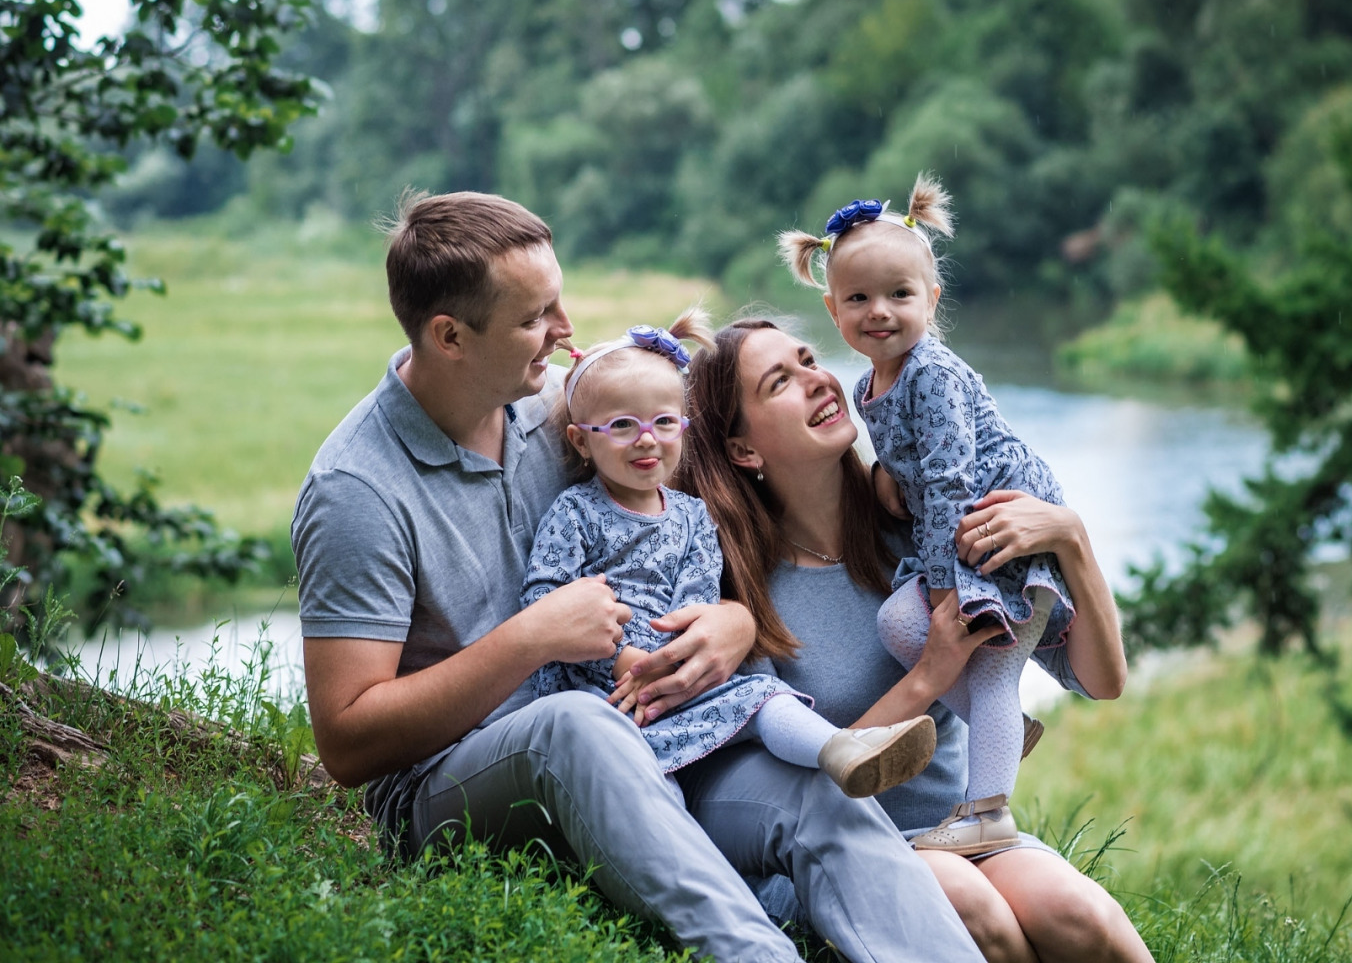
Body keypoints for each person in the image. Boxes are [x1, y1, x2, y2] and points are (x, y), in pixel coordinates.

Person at [293, 190, 986, 963]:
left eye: (557, 302)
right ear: (449, 335)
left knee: (815, 793)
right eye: (534, 318)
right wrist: (532, 638)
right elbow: (349, 745)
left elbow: (684, 492)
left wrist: (735, 621)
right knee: (574, 729)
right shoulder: (357, 489)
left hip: (642, 737)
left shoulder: (559, 408)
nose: (564, 334)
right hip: (456, 784)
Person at [671, 318, 1156, 963]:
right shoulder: (740, 594)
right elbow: (800, 784)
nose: (817, 380)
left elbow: (1102, 681)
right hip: (854, 845)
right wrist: (928, 674)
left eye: (809, 358)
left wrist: (1070, 537)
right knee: (980, 915)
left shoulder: (922, 529)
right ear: (744, 452)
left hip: (969, 827)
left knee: (1083, 916)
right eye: (779, 382)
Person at [520, 307, 936, 794]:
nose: (647, 438)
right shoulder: (578, 513)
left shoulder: (911, 505)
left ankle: (839, 748)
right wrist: (628, 659)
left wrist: (1052, 530)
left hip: (678, 676)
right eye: (622, 426)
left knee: (767, 698)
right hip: (606, 687)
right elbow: (546, 603)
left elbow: (698, 602)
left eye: (663, 422)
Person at [777, 176, 1073, 855]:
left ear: (931, 299)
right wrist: (886, 478)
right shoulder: (868, 382)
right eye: (857, 298)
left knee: (985, 657)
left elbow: (946, 481)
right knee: (899, 623)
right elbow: (913, 467)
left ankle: (988, 811)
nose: (878, 311)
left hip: (1000, 530)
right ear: (832, 310)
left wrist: (946, 589)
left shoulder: (930, 372)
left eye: (898, 295)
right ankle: (1005, 727)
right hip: (963, 539)